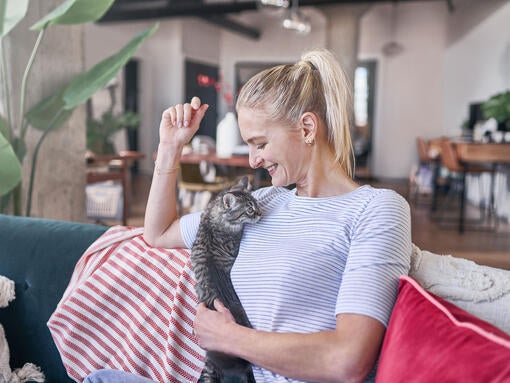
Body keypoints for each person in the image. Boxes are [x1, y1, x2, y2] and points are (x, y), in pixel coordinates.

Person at [84, 49, 411, 383]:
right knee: (101, 378)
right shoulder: (262, 202)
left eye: (260, 144)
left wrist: (229, 338)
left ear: (308, 128)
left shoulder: (376, 209)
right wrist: (170, 148)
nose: (253, 160)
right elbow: (159, 233)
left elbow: (348, 360)